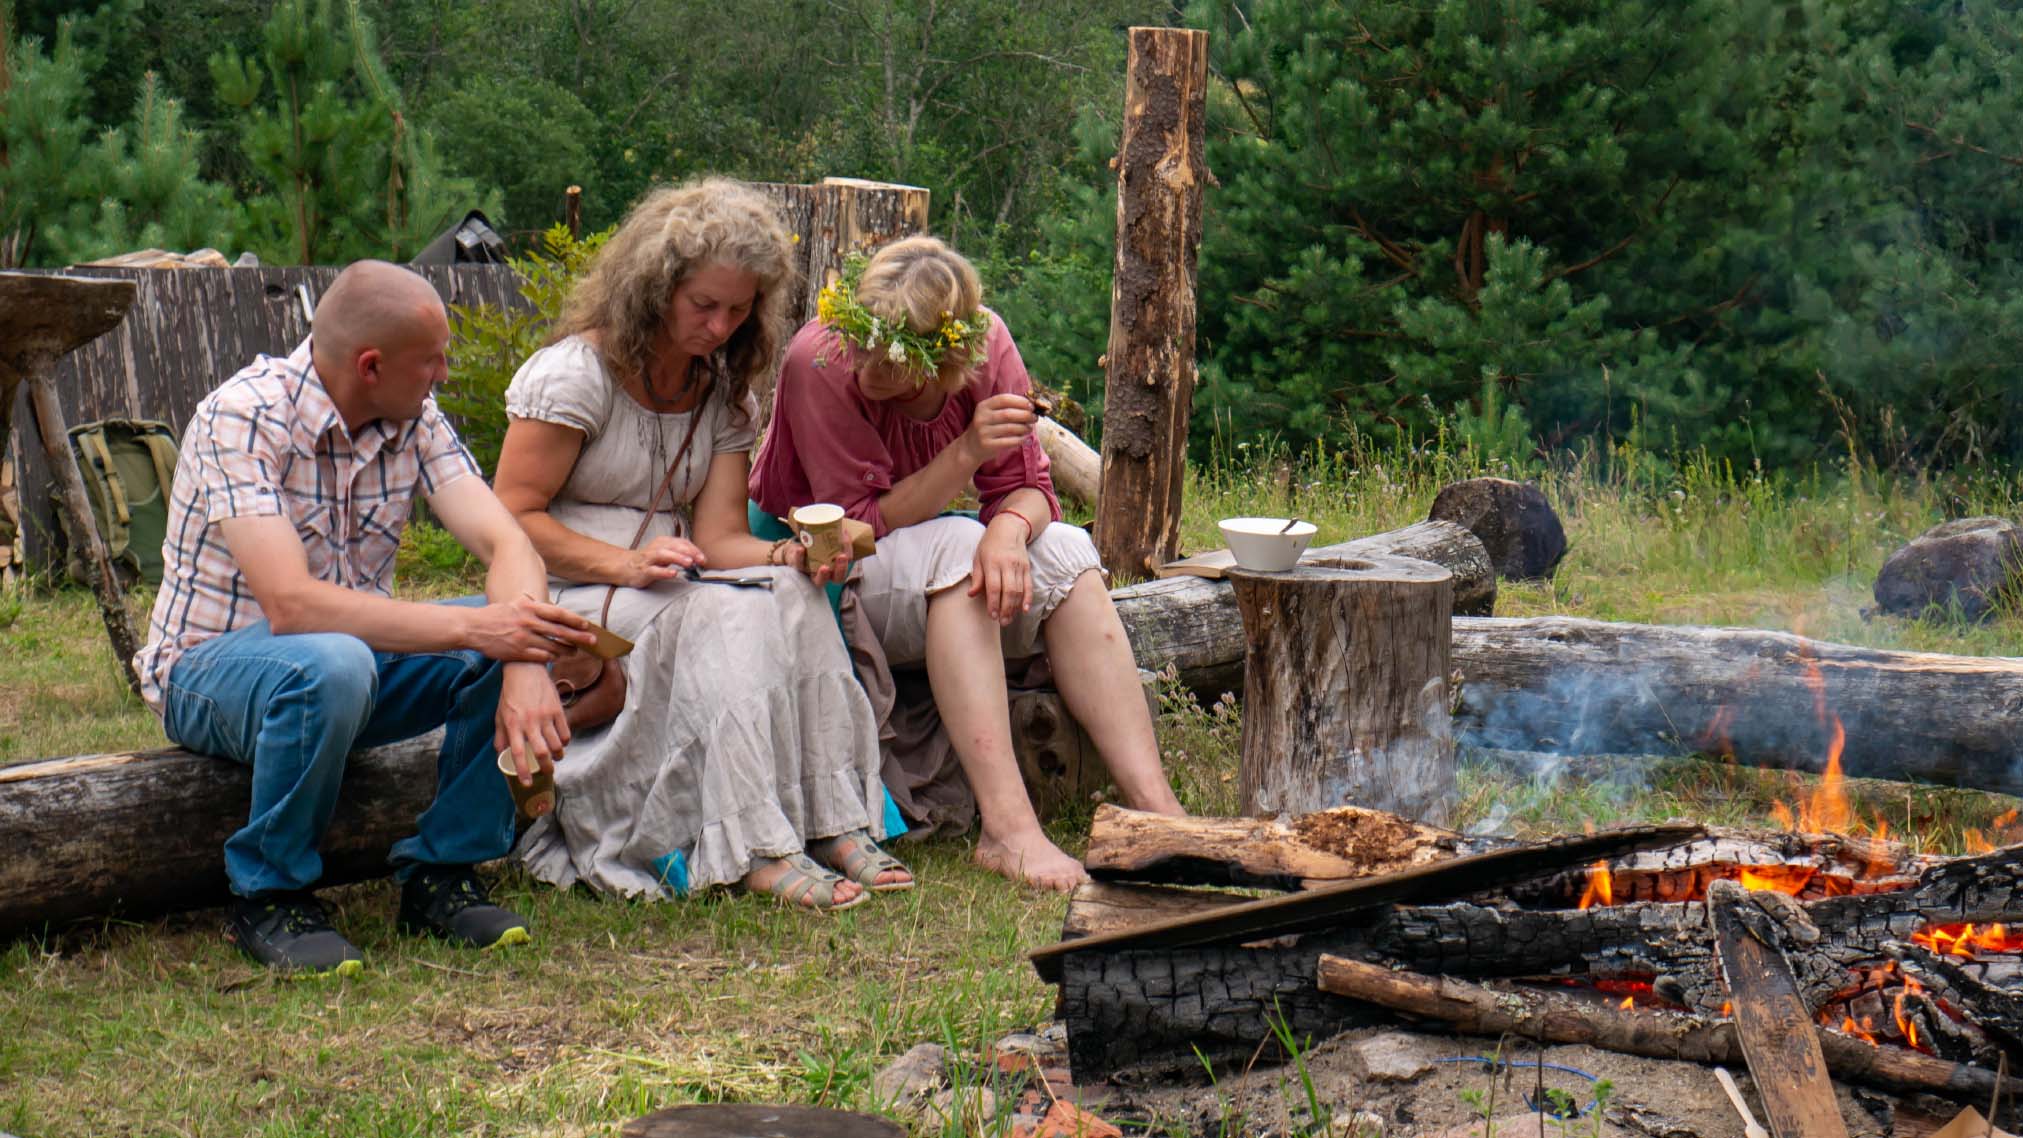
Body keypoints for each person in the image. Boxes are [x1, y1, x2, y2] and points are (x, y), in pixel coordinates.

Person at [136, 260, 596, 976]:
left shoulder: (412, 417)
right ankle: (270, 893)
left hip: (344, 664)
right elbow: (291, 605)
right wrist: (486, 632)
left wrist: (524, 656)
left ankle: (442, 875)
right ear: (371, 364)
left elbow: (506, 541)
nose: (443, 373)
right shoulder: (243, 416)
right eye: (432, 361)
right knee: (342, 658)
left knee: (529, 628)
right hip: (211, 673)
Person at [492, 178, 911, 911]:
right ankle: (750, 844)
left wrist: (791, 555)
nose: (720, 327)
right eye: (703, 306)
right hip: (570, 587)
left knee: (793, 596)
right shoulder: (573, 376)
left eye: (738, 309)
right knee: (728, 616)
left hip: (675, 577)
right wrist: (625, 561)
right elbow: (509, 519)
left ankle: (830, 819)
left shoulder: (720, 394)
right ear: (655, 290)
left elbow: (716, 538)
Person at [749, 235, 1186, 892]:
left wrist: (1009, 533)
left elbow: (1028, 489)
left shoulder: (986, 345)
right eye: (860, 343)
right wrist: (963, 456)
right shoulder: (820, 360)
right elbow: (854, 525)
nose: (864, 365)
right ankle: (1007, 831)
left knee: (1066, 550)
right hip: (813, 572)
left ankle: (1158, 811)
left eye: (887, 357)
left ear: (945, 354)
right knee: (957, 550)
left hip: (915, 553)